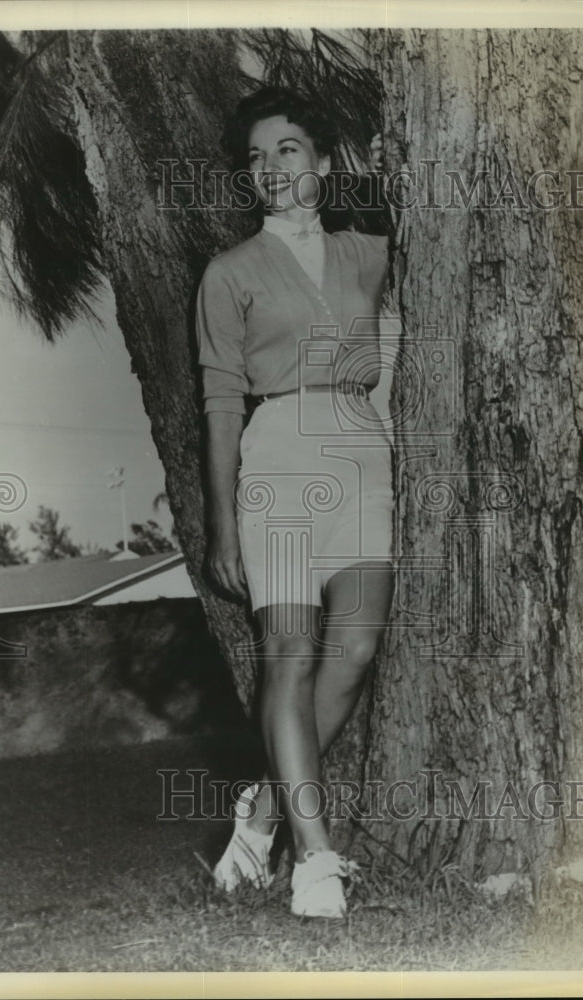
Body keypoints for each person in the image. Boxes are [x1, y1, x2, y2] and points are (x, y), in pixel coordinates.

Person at [195, 86, 395, 919]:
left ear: (320, 163)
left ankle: (265, 809)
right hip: (275, 456)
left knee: (351, 655)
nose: (270, 169)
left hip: (360, 453)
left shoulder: (368, 252)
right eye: (256, 156)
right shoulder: (230, 273)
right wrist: (219, 521)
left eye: (286, 150)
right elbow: (219, 404)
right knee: (290, 655)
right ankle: (315, 861)